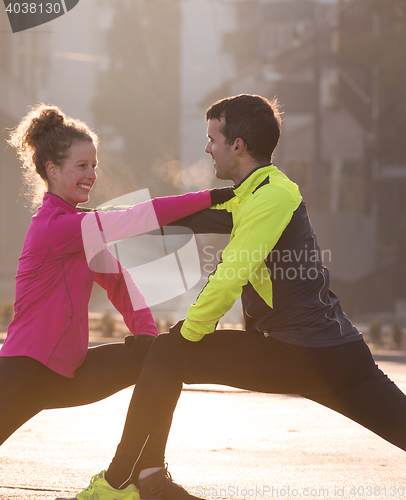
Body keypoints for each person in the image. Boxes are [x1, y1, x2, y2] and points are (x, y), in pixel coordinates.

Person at [62, 94, 406, 500]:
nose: (208, 148)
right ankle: (148, 478)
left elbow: (229, 275)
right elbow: (181, 218)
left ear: (237, 145)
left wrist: (188, 332)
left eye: (213, 139)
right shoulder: (255, 193)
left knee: (168, 353)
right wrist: (87, 222)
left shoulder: (272, 198)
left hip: (299, 352)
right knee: (169, 353)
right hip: (332, 352)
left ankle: (120, 483)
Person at [0, 103, 234, 496]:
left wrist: (144, 332)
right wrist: (209, 197)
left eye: (94, 165)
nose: (91, 174)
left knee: (162, 358)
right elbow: (134, 217)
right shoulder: (56, 227)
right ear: (52, 171)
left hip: (66, 373)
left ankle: (147, 476)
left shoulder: (77, 228)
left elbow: (117, 282)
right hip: (24, 373)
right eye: (81, 166)